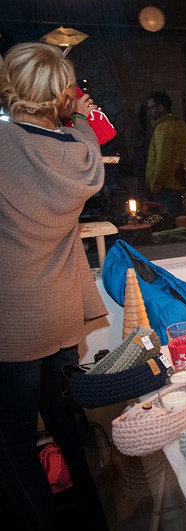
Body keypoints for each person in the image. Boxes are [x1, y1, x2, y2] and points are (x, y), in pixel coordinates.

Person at [0, 42, 108, 529]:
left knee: (14, 447)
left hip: (13, 322)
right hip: (61, 312)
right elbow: (86, 135)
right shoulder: (78, 151)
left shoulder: (6, 144)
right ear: (61, 95)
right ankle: (96, 518)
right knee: (68, 429)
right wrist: (80, 114)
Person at [145, 90, 186, 220]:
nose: (148, 112)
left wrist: (154, 186)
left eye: (150, 108)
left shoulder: (163, 129)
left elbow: (163, 162)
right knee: (183, 223)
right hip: (182, 184)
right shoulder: (182, 126)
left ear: (160, 108)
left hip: (166, 187)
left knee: (168, 225)